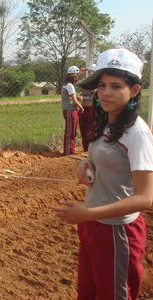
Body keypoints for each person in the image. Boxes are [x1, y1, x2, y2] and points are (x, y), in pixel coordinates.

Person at [52, 49, 153, 300]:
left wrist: (87, 214)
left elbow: (145, 198)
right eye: (102, 85)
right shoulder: (107, 122)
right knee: (87, 293)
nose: (106, 92)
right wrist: (85, 164)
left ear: (135, 90)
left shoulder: (137, 133)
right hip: (93, 227)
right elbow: (102, 159)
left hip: (117, 232)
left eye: (116, 86)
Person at [61, 66, 84, 156]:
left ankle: (70, 150)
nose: (77, 77)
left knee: (71, 131)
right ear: (74, 76)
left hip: (68, 110)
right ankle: (68, 152)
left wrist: (81, 72)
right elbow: (74, 101)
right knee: (70, 132)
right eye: (77, 75)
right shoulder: (70, 86)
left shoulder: (66, 84)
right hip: (70, 110)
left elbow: (71, 98)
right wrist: (81, 107)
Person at [79, 64, 97, 152]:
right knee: (82, 128)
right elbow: (73, 83)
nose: (90, 73)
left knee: (90, 128)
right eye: (89, 72)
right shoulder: (84, 82)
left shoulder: (97, 84)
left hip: (91, 108)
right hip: (83, 108)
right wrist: (80, 73)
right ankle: (85, 147)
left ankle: (90, 147)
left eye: (92, 72)